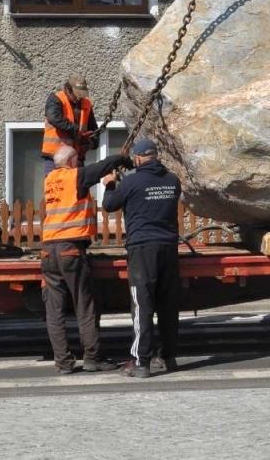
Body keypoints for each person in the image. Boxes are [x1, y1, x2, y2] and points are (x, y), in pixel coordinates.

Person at [100, 136, 181, 378]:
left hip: (142, 248)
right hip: (169, 247)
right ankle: (169, 356)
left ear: (137, 158)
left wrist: (110, 184)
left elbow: (109, 205)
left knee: (142, 305)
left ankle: (141, 362)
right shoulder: (172, 181)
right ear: (155, 156)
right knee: (167, 305)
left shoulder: (132, 182)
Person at [40, 144, 123, 374]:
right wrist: (121, 159)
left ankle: (63, 362)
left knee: (54, 311)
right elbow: (100, 168)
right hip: (70, 249)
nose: (79, 163)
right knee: (85, 306)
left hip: (48, 250)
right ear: (70, 162)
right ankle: (92, 358)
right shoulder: (73, 176)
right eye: (77, 159)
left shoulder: (49, 180)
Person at [42, 74, 98, 162]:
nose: (79, 97)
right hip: (55, 157)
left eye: (81, 94)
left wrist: (92, 141)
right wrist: (76, 131)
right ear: (68, 89)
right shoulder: (56, 98)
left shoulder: (86, 103)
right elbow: (53, 118)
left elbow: (93, 128)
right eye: (76, 94)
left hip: (76, 158)